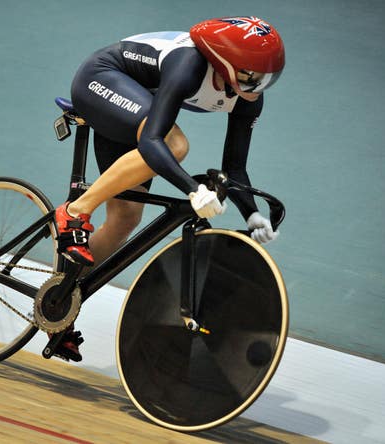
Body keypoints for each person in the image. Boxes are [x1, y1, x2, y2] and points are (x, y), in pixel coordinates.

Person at [51, 16, 285, 361]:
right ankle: (73, 211)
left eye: (267, 77)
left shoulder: (248, 96)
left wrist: (251, 214)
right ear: (224, 62)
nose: (259, 84)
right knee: (175, 145)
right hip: (100, 80)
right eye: (253, 74)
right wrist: (193, 189)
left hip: (137, 102)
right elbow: (152, 141)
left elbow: (234, 167)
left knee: (125, 220)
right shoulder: (189, 64)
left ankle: (59, 302)